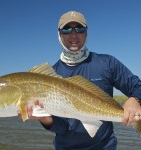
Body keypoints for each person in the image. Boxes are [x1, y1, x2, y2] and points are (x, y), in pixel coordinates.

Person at [19, 11, 141, 150]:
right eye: (66, 29)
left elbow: (138, 87)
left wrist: (135, 99)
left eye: (79, 29)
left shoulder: (107, 63)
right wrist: (45, 119)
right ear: (59, 35)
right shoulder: (50, 76)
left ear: (86, 33)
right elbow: (62, 127)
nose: (73, 34)